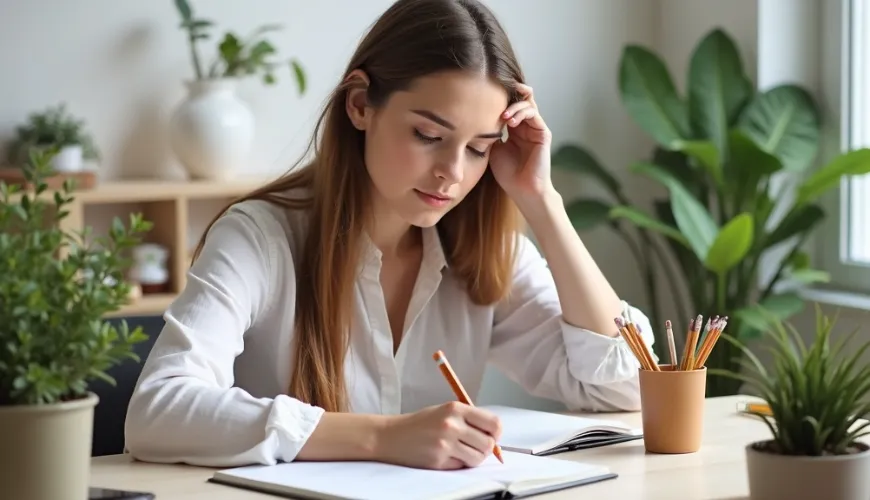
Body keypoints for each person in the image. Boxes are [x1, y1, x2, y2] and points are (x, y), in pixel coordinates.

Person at [124, 0, 656, 471]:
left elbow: (629, 386)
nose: (452, 171)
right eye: (428, 135)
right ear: (359, 105)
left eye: (478, 148)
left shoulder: (484, 250)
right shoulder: (260, 238)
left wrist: (542, 201)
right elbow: (158, 410)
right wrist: (381, 436)